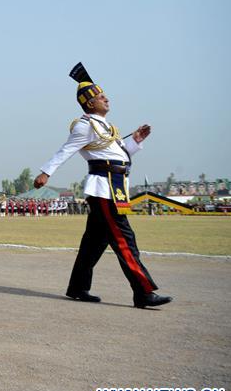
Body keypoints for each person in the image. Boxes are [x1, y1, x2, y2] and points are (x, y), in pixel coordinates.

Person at [34, 62, 171, 309]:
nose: (106, 98)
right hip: (104, 188)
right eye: (100, 96)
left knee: (94, 243)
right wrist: (46, 172)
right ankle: (143, 291)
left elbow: (118, 156)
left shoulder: (107, 127)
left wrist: (136, 142)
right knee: (124, 239)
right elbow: (66, 150)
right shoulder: (85, 125)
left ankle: (77, 288)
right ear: (89, 103)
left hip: (115, 186)